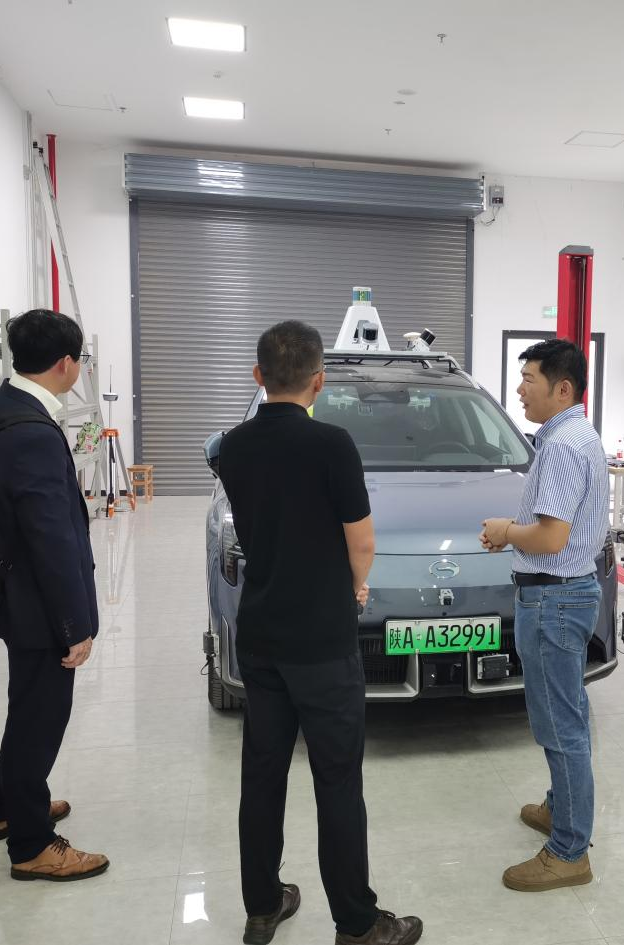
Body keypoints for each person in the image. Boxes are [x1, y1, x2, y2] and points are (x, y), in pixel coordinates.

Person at [218, 321, 421, 945]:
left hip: (261, 632)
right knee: (336, 780)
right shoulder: (332, 444)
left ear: (258, 376)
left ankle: (262, 905)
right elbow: (361, 541)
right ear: (319, 381)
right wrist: (356, 586)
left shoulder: (232, 446)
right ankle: (356, 924)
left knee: (263, 773)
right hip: (322, 639)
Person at [0, 309, 108, 881]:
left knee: (27, 705)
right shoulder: (32, 433)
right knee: (42, 717)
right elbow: (51, 537)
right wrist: (74, 625)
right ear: (66, 363)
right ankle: (31, 844)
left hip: (7, 586)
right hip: (36, 601)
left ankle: (5, 807)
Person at [480, 338, 610, 893]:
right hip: (565, 595)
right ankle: (561, 808)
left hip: (554, 599)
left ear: (563, 388)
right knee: (566, 713)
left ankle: (569, 851)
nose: (519, 389)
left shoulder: (562, 446)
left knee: (560, 725)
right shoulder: (575, 435)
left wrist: (506, 531)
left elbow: (552, 538)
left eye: (529, 379)